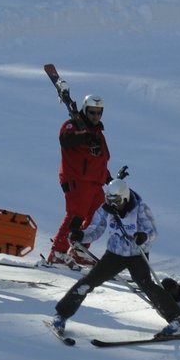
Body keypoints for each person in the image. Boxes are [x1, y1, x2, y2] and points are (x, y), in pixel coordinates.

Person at [51, 180, 180, 338]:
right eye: (110, 200)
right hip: (115, 254)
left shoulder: (140, 208)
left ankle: (179, 321)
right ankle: (61, 315)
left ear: (125, 198)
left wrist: (143, 236)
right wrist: (82, 235)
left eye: (117, 201)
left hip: (136, 254)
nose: (113, 205)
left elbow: (152, 231)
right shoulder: (106, 208)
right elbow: (96, 229)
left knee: (147, 285)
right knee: (88, 282)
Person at [47, 94, 111, 268]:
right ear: (84, 110)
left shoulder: (98, 133)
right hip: (77, 180)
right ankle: (57, 253)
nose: (95, 116)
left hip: (95, 182)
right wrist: (84, 137)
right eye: (92, 112)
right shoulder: (73, 126)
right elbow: (65, 140)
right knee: (76, 216)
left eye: (99, 113)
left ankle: (79, 250)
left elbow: (99, 160)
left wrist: (109, 178)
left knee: (96, 218)